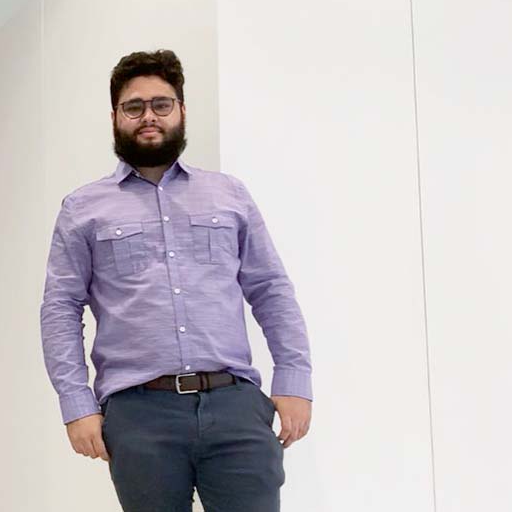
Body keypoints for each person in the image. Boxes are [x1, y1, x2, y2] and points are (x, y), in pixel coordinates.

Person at [40, 49, 313, 511]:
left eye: (161, 104)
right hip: (138, 414)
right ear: (115, 117)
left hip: (235, 407)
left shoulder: (229, 194)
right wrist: (77, 403)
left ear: (182, 111)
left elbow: (271, 289)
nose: (149, 116)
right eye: (134, 107)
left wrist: (294, 379)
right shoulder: (83, 208)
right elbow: (60, 309)